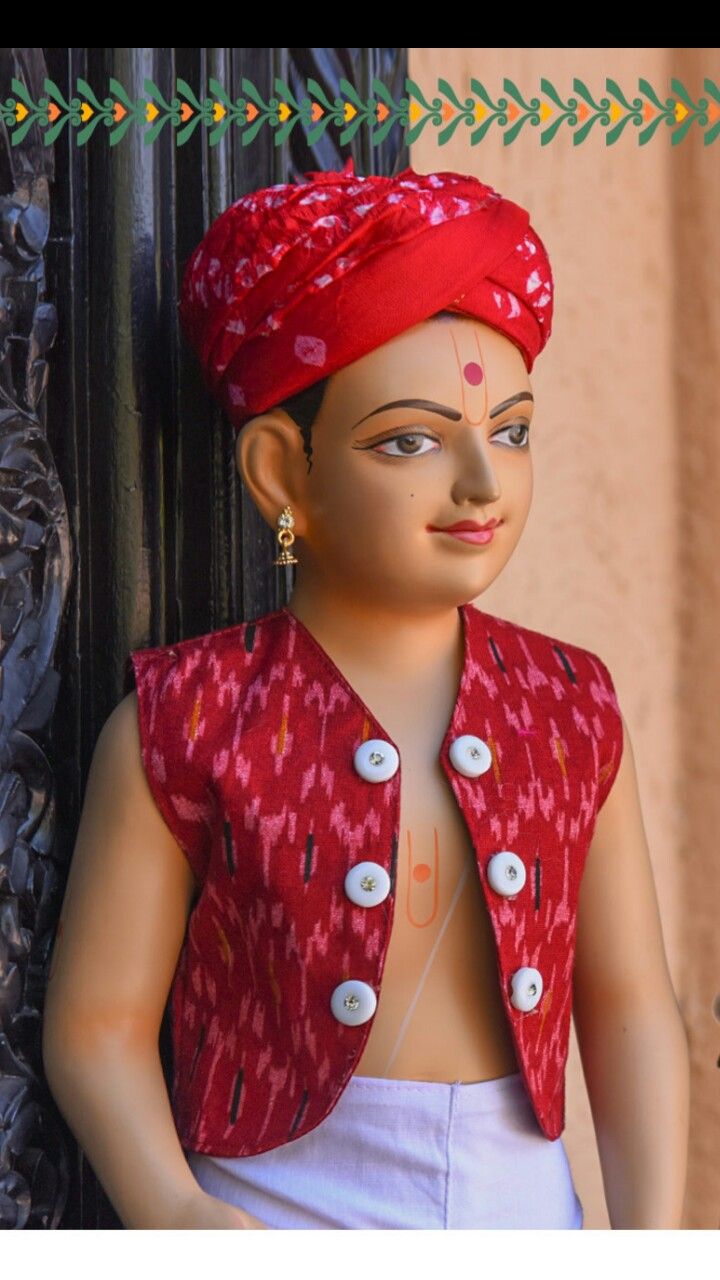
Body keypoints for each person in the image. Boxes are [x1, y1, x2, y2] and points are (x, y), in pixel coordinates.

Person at [41, 161, 690, 1230]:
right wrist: (168, 1205)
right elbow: (98, 1021)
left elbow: (626, 1005)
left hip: (525, 1207)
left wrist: (656, 1235)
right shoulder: (190, 718)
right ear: (280, 475)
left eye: (512, 430)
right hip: (269, 1202)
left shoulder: (571, 707)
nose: (483, 483)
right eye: (411, 441)